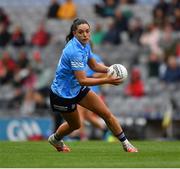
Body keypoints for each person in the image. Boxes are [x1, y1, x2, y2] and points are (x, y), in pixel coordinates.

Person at [48, 18, 138, 153]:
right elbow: (83, 80)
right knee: (75, 125)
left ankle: (126, 144)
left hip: (77, 89)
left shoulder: (86, 44)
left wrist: (110, 70)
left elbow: (94, 65)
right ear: (74, 33)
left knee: (106, 114)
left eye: (87, 31)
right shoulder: (74, 51)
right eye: (81, 32)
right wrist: (107, 80)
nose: (85, 35)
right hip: (62, 94)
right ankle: (55, 139)